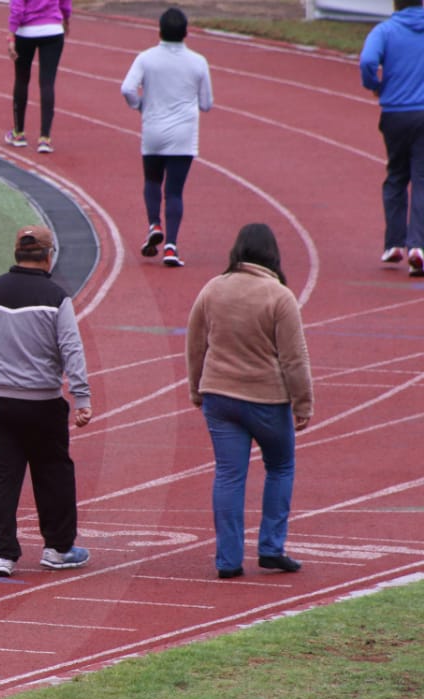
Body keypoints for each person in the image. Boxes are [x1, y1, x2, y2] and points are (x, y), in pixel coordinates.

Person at [185, 223, 314, 580]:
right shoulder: (279, 296)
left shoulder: (213, 288)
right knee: (281, 467)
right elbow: (294, 358)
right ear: (272, 254)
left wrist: (196, 388)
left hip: (220, 396)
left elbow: (195, 344)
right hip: (267, 399)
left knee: (229, 475)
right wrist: (303, 403)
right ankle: (271, 547)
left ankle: (228, 559)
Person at [0, 225, 92, 578]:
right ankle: (58, 548)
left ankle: (2, 555)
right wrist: (81, 396)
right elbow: (71, 348)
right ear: (49, 256)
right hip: (42, 401)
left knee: (2, 477)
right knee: (53, 472)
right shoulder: (56, 298)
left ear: (16, 253)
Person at [120, 7, 213, 268]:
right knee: (174, 192)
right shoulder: (198, 62)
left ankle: (154, 224)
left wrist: (139, 104)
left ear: (159, 31)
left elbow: (127, 88)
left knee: (152, 180)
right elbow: (206, 103)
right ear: (186, 33)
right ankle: (171, 246)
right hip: (183, 135)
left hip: (153, 130)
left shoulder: (146, 58)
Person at [359, 0, 424, 277]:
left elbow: (367, 61)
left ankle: (394, 243)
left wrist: (374, 84)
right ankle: (418, 246)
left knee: (396, 175)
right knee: (421, 178)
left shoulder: (385, 31)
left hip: (395, 112)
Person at [4, 0, 72, 154]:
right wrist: (66, 18)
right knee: (47, 83)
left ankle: (18, 133)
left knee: (21, 80)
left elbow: (17, 6)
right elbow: (65, 2)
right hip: (53, 30)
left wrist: (11, 34)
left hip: (26, 32)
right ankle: (45, 138)